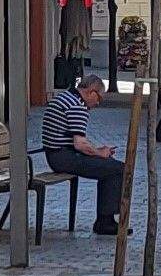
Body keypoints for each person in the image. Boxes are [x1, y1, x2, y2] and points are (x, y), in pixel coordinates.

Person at [40, 74, 123, 235]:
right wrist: (100, 153)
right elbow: (80, 144)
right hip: (64, 157)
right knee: (118, 169)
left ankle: (105, 219)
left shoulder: (65, 96)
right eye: (99, 98)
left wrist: (100, 154)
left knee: (109, 165)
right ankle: (105, 221)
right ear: (92, 92)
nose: (98, 103)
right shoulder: (78, 106)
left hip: (56, 154)